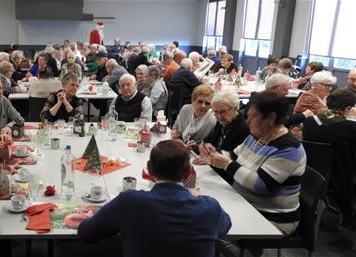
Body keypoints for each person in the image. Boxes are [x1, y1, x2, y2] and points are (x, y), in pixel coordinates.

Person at [78, 140, 231, 257]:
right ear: (189, 172)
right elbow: (225, 226)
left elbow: (86, 233)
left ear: (149, 169)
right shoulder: (210, 207)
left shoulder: (129, 201)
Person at [208, 91, 306, 237]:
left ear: (271, 118)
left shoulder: (288, 148)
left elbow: (260, 185)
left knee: (207, 229)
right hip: (244, 203)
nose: (247, 121)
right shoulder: (257, 136)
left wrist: (227, 164)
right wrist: (214, 154)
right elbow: (233, 155)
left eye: (253, 116)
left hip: (271, 217)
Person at [303, 88, 356, 230]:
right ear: (348, 108)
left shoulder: (309, 122)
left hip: (309, 174)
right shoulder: (350, 127)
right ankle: (349, 215)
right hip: (338, 180)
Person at [198, 90, 249, 165]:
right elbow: (208, 141)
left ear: (235, 108)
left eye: (223, 111)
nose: (218, 116)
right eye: (215, 112)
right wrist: (199, 146)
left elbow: (235, 158)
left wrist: (211, 155)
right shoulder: (222, 122)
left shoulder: (244, 129)